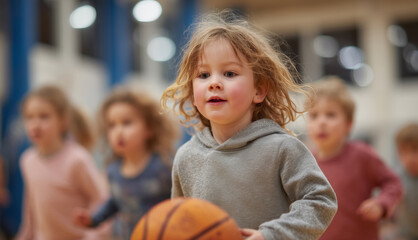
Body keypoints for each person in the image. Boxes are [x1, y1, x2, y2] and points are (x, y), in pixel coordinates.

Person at [160, 11, 337, 240]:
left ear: (259, 90)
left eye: (229, 73)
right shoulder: (185, 157)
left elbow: (321, 200)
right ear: (193, 94)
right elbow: (180, 222)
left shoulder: (282, 148)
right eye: (203, 75)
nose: (214, 83)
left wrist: (270, 235)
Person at [73, 87, 180, 240]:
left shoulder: (163, 168)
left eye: (127, 123)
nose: (119, 131)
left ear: (149, 129)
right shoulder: (113, 171)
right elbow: (115, 202)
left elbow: (180, 204)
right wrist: (93, 220)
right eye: (112, 125)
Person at [305, 76, 403, 240]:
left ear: (348, 124)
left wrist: (381, 203)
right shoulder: (304, 163)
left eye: (330, 115)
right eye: (314, 116)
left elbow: (393, 182)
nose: (321, 122)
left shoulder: (362, 155)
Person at [16, 85, 109, 240]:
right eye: (29, 117)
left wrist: (93, 235)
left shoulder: (77, 159)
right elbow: (31, 207)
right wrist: (25, 235)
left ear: (63, 121)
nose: (35, 124)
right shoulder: (27, 160)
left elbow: (101, 200)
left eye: (44, 116)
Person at [394, 123, 418, 240]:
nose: (410, 158)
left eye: (415, 150)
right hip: (405, 235)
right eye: (404, 152)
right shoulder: (396, 178)